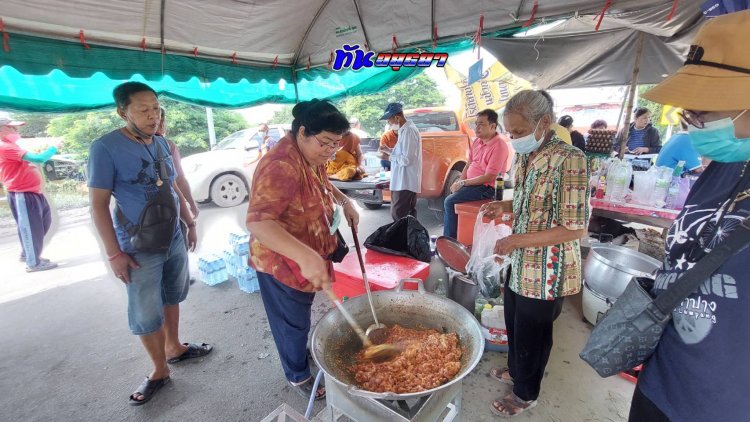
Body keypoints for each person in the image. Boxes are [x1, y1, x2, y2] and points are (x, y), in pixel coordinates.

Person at [627, 10, 750, 422]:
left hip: (723, 403)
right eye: (689, 116)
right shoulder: (724, 167)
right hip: (662, 379)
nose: (694, 127)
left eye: (703, 115)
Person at [88, 82, 211, 406]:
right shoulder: (105, 148)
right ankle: (159, 370)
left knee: (173, 294)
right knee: (145, 310)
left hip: (172, 236)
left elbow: (172, 185)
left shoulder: (159, 143)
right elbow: (98, 204)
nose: (153, 116)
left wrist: (189, 222)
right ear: (122, 111)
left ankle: (175, 348)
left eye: (155, 108)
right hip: (137, 246)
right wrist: (114, 253)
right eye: (143, 110)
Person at [479, 90, 589, 417]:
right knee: (514, 319)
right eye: (510, 133)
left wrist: (517, 241)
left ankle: (526, 394)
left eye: (519, 132)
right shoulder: (526, 155)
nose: (513, 138)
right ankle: (517, 370)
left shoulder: (570, 159)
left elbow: (575, 228)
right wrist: (504, 204)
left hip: (547, 268)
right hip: (522, 260)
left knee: (534, 332)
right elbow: (527, 200)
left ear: (544, 122)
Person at [246, 99, 359, 401]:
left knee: (300, 316)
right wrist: (305, 255)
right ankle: (297, 375)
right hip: (281, 261)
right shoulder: (280, 165)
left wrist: (344, 202)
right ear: (302, 132)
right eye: (325, 143)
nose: (330, 151)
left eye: (336, 144)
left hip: (308, 255)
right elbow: (258, 222)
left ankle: (299, 351)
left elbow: (322, 179)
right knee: (290, 322)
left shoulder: (311, 155)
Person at [0, 118, 58, 272]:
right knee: (31, 228)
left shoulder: (13, 146)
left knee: (43, 223)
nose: (16, 131)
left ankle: (28, 253)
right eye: (12, 128)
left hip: (33, 192)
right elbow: (39, 159)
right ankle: (33, 263)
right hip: (22, 193)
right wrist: (54, 148)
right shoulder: (5, 147)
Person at [443, 109, 510, 238]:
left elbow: (489, 177)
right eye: (476, 124)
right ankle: (456, 235)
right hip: (471, 184)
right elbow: (469, 164)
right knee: (452, 196)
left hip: (486, 187)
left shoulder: (499, 146)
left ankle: (449, 240)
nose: (477, 128)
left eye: (481, 124)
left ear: (492, 126)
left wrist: (463, 182)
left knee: (449, 201)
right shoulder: (477, 142)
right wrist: (459, 182)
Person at [380, 102, 422, 221]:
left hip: (405, 182)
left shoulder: (408, 131)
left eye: (389, 120)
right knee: (404, 216)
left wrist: (388, 158)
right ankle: (407, 239)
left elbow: (406, 159)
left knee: (399, 215)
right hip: (402, 181)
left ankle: (403, 239)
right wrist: (388, 150)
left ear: (397, 117)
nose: (388, 124)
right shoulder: (404, 131)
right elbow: (403, 153)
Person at [156, 107, 200, 218]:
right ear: (162, 122)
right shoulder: (167, 145)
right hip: (168, 208)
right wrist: (192, 204)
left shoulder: (128, 146)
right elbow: (179, 179)